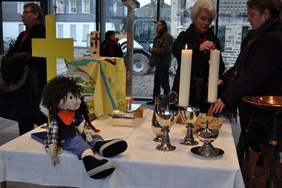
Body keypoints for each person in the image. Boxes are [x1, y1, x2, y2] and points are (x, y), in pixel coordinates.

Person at [213, 0, 282, 180]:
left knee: (261, 163)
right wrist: (224, 79)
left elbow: (252, 76)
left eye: (252, 15)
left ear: (266, 14)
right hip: (254, 112)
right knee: (244, 154)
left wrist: (226, 99)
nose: (249, 19)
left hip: (265, 115)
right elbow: (241, 66)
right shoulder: (256, 35)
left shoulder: (272, 39)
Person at [0, 3, 47, 135]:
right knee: (23, 112)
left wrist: (18, 57)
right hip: (22, 79)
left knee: (29, 111)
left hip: (36, 79)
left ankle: (54, 127)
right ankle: (27, 139)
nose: (22, 15)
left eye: (26, 12)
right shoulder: (23, 34)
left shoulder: (42, 32)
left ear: (36, 15)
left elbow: (32, 55)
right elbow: (16, 53)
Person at [171, 0, 225, 112]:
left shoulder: (214, 40)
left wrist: (216, 76)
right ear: (194, 18)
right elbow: (176, 50)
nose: (206, 23)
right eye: (203, 19)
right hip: (186, 89)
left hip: (206, 91)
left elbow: (220, 66)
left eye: (209, 20)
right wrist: (198, 47)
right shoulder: (185, 36)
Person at [146, 20, 173, 105]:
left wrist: (152, 50)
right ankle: (155, 100)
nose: (157, 27)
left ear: (164, 26)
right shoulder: (161, 35)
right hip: (159, 62)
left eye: (159, 25)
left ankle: (167, 102)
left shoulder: (166, 36)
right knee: (157, 83)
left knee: (164, 84)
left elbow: (166, 50)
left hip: (163, 63)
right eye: (157, 25)